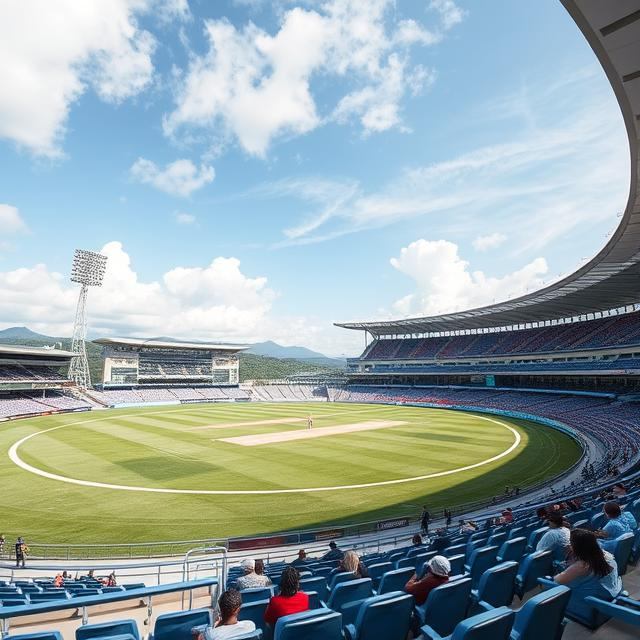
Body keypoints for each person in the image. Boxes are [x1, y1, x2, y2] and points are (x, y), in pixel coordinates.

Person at [554, 529, 622, 622]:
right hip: (610, 591)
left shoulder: (581, 566)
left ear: (576, 546)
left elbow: (557, 580)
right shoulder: (605, 555)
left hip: (589, 599)